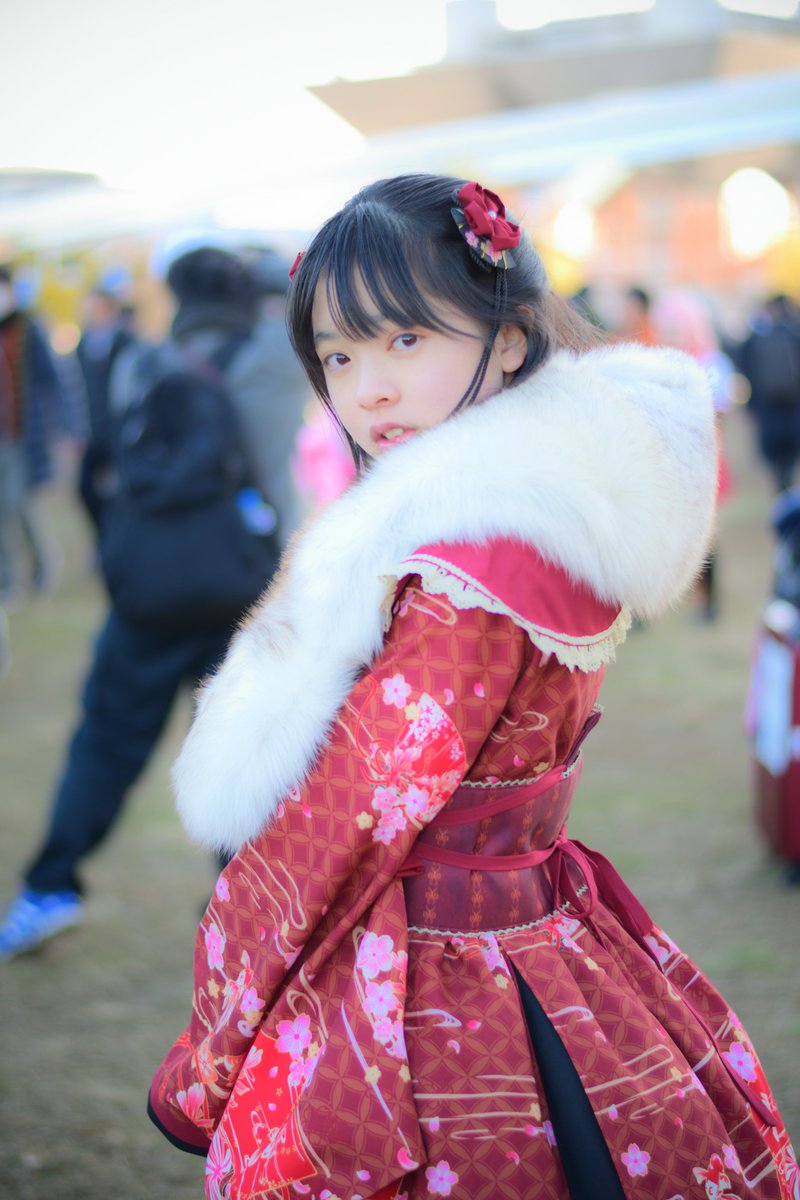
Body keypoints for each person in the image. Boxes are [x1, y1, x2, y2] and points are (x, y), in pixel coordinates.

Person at [147, 176, 797, 1200]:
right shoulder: (544, 511)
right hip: (536, 931)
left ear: (507, 339)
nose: (368, 388)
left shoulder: (475, 562)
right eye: (338, 355)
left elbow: (348, 821)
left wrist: (211, 1051)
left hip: (442, 979)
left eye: (405, 339)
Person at [0, 246, 298, 960]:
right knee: (242, 752)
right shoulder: (279, 364)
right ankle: (237, 903)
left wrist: (121, 554)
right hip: (247, 589)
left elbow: (98, 472)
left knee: (106, 742)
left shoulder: (144, 363)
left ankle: (51, 886)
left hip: (149, 593)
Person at [650, 287, 736, 621]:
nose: (671, 334)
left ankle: (708, 602)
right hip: (666, 460)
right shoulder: (660, 362)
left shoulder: (711, 362)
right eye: (667, 328)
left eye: (676, 327)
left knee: (707, 535)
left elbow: (722, 408)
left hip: (703, 460)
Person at [0, 264, 76, 604]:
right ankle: (7, 580)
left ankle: (42, 564)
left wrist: (65, 427)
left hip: (20, 436)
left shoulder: (26, 330)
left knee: (18, 504)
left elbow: (52, 381)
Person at [74, 283, 138, 537]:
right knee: (86, 488)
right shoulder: (84, 344)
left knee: (120, 488)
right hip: (94, 428)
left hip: (119, 427)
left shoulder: (126, 342)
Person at [738, 294, 800, 494]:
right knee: (789, 453)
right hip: (793, 405)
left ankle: (780, 486)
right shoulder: (794, 331)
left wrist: (750, 405)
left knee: (773, 452)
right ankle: (786, 482)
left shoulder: (756, 336)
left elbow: (744, 367)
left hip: (766, 406)